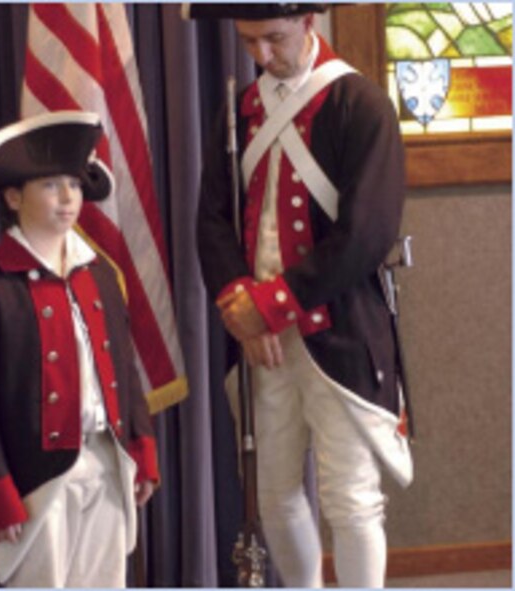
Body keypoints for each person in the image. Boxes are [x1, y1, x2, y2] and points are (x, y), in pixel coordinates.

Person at [192, 4, 413, 588]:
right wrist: (242, 301)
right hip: (260, 339)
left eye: (273, 38)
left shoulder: (359, 104)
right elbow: (212, 219)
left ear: (309, 22)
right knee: (276, 492)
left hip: (338, 328)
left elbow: (367, 232)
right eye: (248, 42)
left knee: (352, 498)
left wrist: (272, 304)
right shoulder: (241, 110)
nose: (261, 55)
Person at [0, 111, 159, 588]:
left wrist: (141, 445)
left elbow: (123, 367)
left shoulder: (98, 273)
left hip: (106, 460)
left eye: (74, 185)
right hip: (35, 479)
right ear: (14, 197)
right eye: (50, 185)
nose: (67, 198)